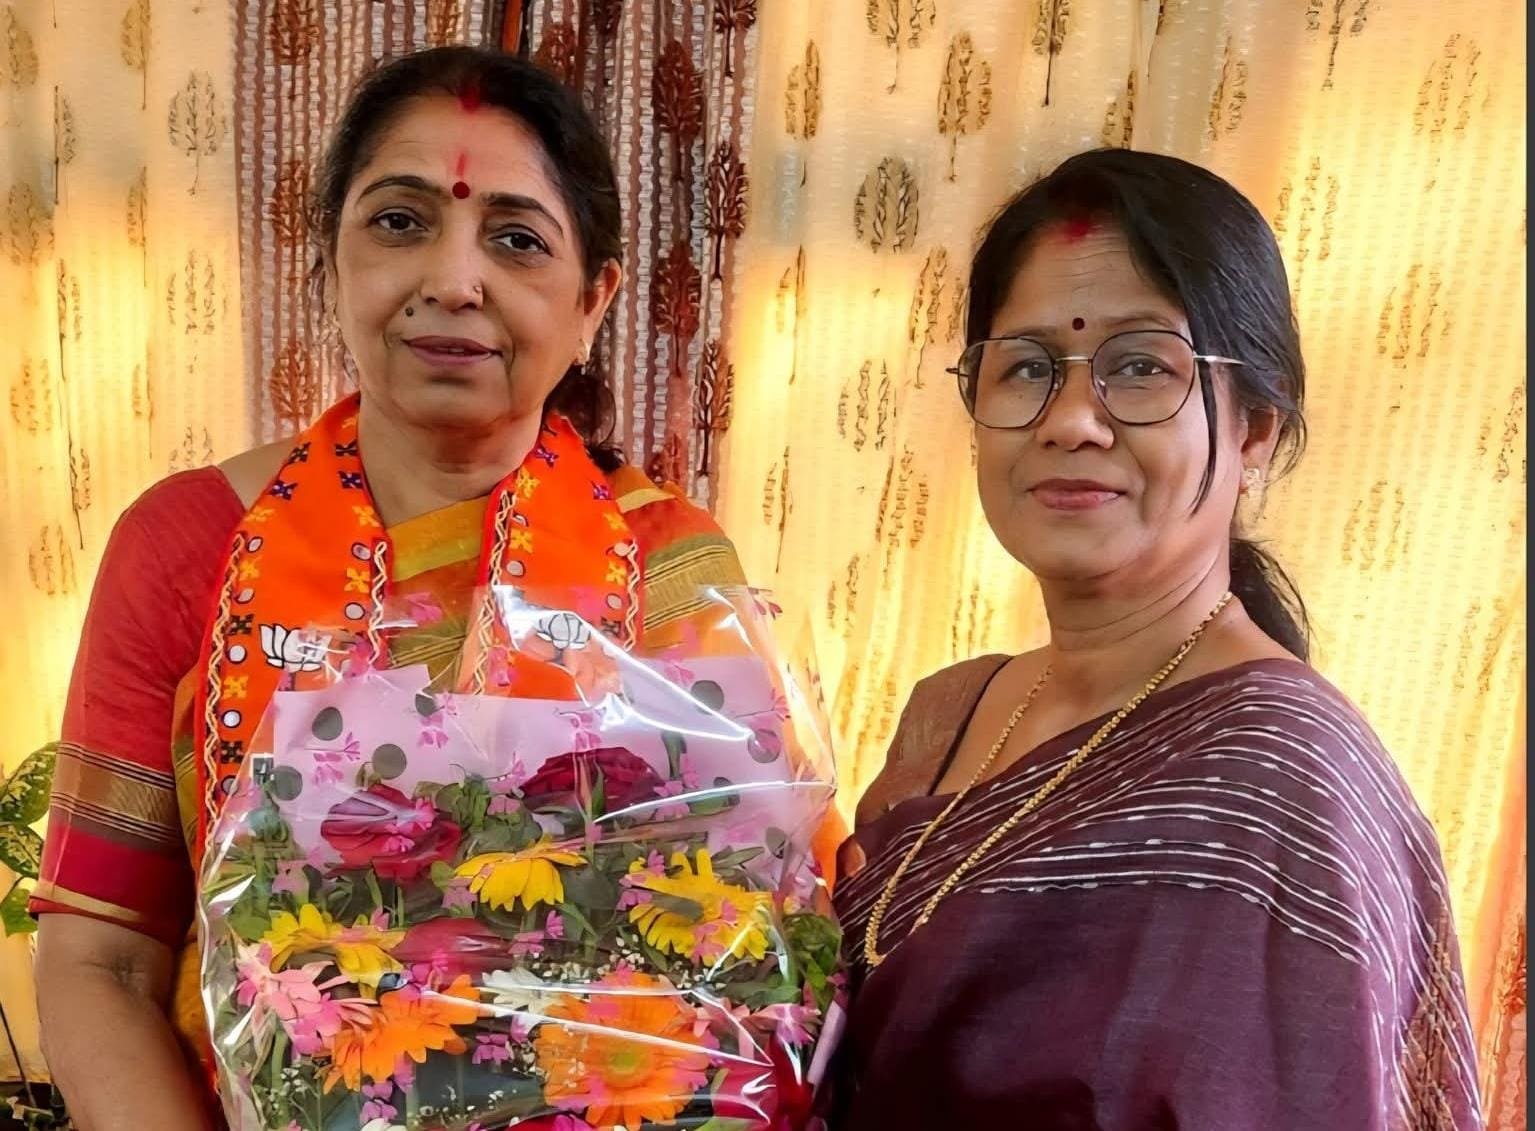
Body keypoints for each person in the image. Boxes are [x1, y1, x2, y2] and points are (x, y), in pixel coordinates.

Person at [29, 46, 771, 1130]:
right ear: (329, 262)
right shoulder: (188, 543)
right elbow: (98, 958)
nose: (453, 280)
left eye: (517, 239)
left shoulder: (673, 569)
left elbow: (748, 957)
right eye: (399, 221)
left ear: (592, 302)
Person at [830, 150, 1482, 1129]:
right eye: (1026, 367)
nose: (1071, 421)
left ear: (1255, 430)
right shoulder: (948, 709)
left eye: (1140, 367)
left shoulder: (1286, 777)